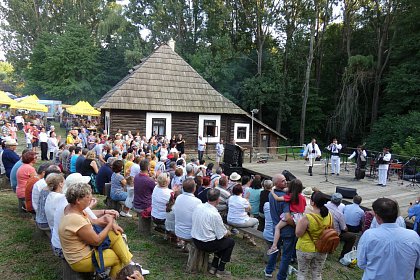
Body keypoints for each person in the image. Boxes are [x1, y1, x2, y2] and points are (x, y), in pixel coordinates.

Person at [58, 183, 138, 278]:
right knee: (117, 258)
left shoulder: (71, 209)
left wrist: (111, 224)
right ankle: (127, 267)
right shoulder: (75, 219)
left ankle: (129, 263)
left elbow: (93, 221)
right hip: (81, 259)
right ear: (78, 200)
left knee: (114, 234)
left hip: (83, 249)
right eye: (88, 197)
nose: (91, 199)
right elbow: (97, 241)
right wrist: (109, 224)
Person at [357, 198, 420, 280]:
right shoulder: (413, 236)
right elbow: (418, 263)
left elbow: (361, 263)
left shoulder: (369, 235)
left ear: (377, 217)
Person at [191, 188, 235, 278]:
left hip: (195, 239)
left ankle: (214, 267)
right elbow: (221, 235)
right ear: (218, 199)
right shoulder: (215, 214)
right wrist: (228, 232)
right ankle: (220, 269)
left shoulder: (199, 206)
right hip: (205, 244)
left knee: (221, 240)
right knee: (230, 242)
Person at [264, 174, 296, 280]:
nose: (286, 182)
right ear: (277, 183)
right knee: (286, 255)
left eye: (285, 180)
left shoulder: (271, 195)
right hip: (287, 230)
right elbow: (287, 217)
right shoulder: (285, 199)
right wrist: (295, 225)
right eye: (283, 181)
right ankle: (281, 277)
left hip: (275, 227)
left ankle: (268, 270)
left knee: (274, 249)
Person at [295, 191, 332, 280]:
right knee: (317, 273)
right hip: (322, 248)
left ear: (312, 202)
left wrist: (298, 222)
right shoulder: (329, 215)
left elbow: (298, 234)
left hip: (305, 248)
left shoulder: (308, 217)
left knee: (302, 273)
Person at [267, 179, 306, 255]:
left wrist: (272, 192)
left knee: (277, 227)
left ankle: (274, 246)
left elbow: (278, 199)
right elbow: (304, 207)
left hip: (293, 215)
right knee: (298, 235)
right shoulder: (302, 197)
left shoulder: (291, 196)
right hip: (300, 216)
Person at [325, 193, 356, 262]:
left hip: (323, 229)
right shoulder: (339, 213)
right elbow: (344, 228)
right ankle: (343, 257)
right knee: (352, 237)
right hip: (333, 233)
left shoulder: (324, 206)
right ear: (340, 202)